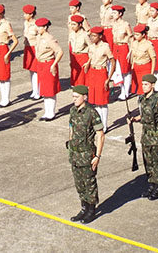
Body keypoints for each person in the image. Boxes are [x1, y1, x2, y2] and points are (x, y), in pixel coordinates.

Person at [128, 74, 158, 200]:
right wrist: (135, 119)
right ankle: (151, 185)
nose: (143, 86)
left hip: (156, 137)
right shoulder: (142, 99)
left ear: (152, 85)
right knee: (147, 162)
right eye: (143, 84)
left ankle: (157, 187)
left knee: (155, 162)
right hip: (145, 136)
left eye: (146, 84)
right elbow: (144, 115)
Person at [68, 85, 104, 224]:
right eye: (73, 97)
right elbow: (71, 127)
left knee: (89, 183)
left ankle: (91, 210)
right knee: (79, 184)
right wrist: (70, 144)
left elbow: (100, 135)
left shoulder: (91, 113)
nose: (74, 99)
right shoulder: (73, 111)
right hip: (75, 155)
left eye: (77, 97)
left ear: (85, 97)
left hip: (87, 155)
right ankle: (83, 208)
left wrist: (98, 156)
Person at [84, 26, 114, 131]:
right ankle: (98, 123)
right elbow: (91, 57)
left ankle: (104, 125)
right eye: (91, 36)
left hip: (101, 72)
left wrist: (109, 78)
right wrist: (87, 64)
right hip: (93, 72)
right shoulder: (91, 47)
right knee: (95, 100)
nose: (92, 38)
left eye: (94, 36)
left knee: (102, 100)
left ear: (100, 36)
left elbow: (112, 61)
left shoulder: (105, 47)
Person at [35, 18, 64, 121]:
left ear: (45, 27)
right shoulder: (39, 37)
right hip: (41, 64)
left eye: (40, 27)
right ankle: (46, 112)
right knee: (43, 89)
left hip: (48, 64)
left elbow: (59, 51)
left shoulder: (49, 38)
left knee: (50, 89)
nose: (38, 29)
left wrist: (54, 64)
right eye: (37, 27)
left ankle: (51, 113)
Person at [0, 4, 19, 107]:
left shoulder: (6, 24)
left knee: (5, 75)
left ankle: (6, 99)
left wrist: (8, 53)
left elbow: (15, 41)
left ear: (1, 14)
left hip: (3, 48)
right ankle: (2, 98)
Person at [111, 5, 132, 100]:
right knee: (117, 69)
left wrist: (131, 50)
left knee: (125, 71)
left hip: (124, 47)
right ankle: (121, 90)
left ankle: (126, 92)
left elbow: (131, 37)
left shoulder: (126, 25)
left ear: (120, 14)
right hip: (116, 47)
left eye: (115, 13)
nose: (113, 14)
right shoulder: (114, 24)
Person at [130, 24, 156, 95]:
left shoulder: (148, 45)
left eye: (137, 35)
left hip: (145, 67)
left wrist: (152, 73)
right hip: (136, 67)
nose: (135, 36)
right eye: (135, 34)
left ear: (143, 35)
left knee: (145, 88)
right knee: (138, 88)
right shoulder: (134, 43)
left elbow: (153, 59)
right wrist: (132, 66)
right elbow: (133, 56)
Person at [22, 4, 40, 99]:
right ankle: (34, 90)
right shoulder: (26, 23)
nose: (24, 15)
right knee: (31, 70)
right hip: (28, 47)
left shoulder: (36, 24)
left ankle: (38, 91)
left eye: (26, 14)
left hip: (35, 48)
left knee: (36, 71)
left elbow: (40, 37)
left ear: (31, 14)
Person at [69, 14, 91, 87]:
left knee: (83, 78)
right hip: (75, 57)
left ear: (80, 25)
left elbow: (91, 48)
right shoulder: (71, 34)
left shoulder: (85, 35)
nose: (72, 26)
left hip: (83, 57)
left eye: (74, 24)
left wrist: (89, 62)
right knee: (75, 77)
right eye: (71, 24)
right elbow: (70, 48)